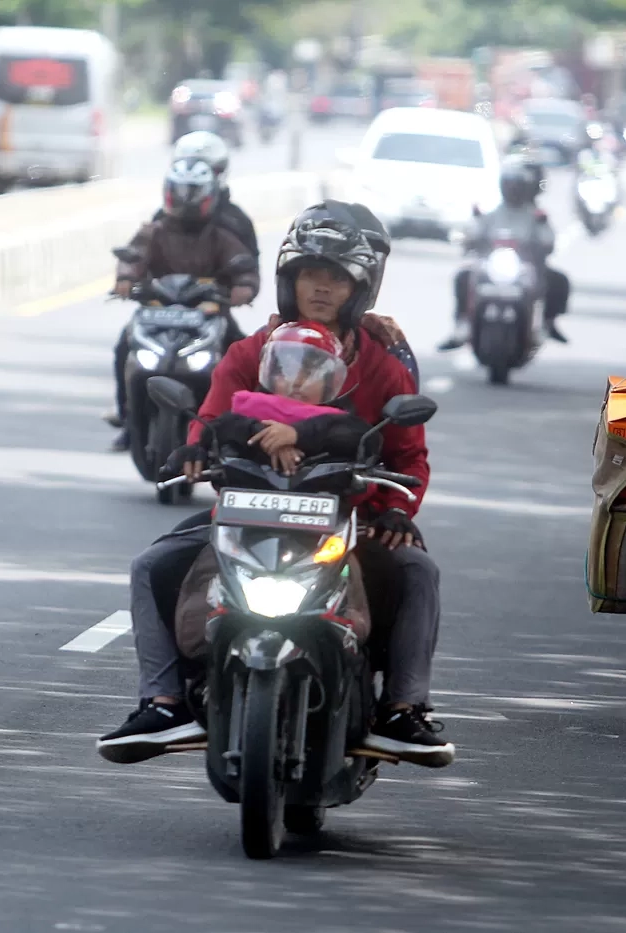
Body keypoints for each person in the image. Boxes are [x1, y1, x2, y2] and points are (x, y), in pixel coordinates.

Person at [98, 202, 453, 766]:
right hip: (245, 514)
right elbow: (211, 418)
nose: (322, 288)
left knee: (418, 573)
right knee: (151, 566)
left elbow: (409, 454)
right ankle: (164, 701)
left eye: (337, 278)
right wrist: (196, 447)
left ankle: (403, 709)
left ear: (360, 287)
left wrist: (393, 509)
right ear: (290, 280)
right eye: (312, 274)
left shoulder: (384, 361)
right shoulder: (250, 350)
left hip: (345, 525)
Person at [107, 157, 260, 452]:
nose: (186, 202)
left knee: (242, 357)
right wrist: (125, 280)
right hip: (156, 311)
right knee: (123, 348)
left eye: (193, 194)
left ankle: (240, 429)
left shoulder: (222, 235)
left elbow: (243, 267)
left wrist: (244, 287)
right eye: (180, 193)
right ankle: (128, 420)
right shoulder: (153, 231)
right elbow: (133, 257)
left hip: (208, 313)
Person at [439, 155, 570, 350]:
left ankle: (548, 322)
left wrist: (543, 243)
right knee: (463, 277)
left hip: (524, 269)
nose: (512, 189)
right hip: (491, 267)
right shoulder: (491, 214)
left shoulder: (535, 216)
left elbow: (548, 239)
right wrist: (468, 239)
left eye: (517, 185)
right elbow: (472, 232)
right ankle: (462, 324)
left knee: (558, 280)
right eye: (509, 184)